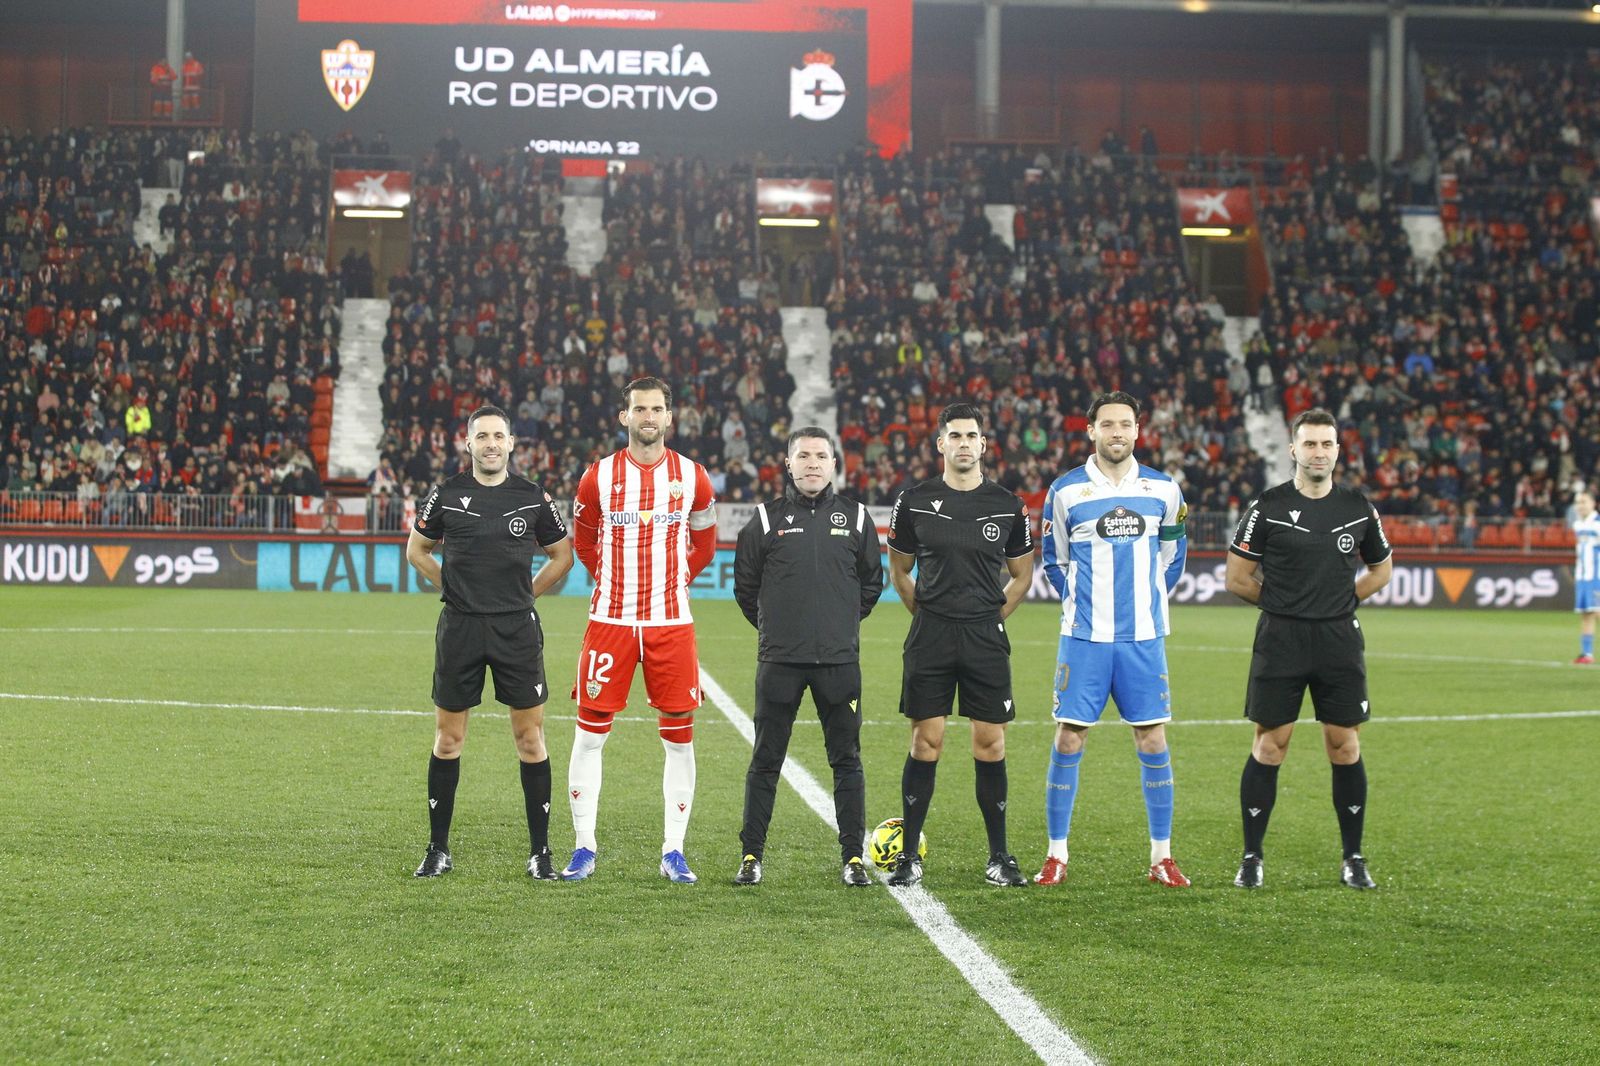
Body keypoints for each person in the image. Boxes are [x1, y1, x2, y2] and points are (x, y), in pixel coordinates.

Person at [1224, 408, 1393, 891]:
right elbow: (1237, 577)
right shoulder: (1267, 506)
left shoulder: (1357, 506)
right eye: (1310, 444)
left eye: (1327, 444)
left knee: (1344, 745)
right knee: (1270, 745)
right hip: (1281, 640)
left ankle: (1353, 857)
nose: (1319, 452)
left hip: (1338, 640)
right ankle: (1252, 856)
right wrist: (1286, 605)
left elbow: (1381, 570)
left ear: (1338, 451)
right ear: (1293, 450)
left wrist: (1341, 601)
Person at [407, 405, 575, 878]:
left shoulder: (532, 496)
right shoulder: (447, 493)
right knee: (448, 738)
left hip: (515, 630)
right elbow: (416, 549)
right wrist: (449, 587)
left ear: (512, 443)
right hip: (460, 627)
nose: (491, 444)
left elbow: (563, 556)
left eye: (499, 436)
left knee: (529, 738)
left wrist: (527, 594)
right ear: (469, 444)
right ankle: (438, 849)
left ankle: (540, 852)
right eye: (482, 436)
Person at [563, 377, 717, 883]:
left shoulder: (694, 477)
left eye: (656, 409)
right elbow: (583, 542)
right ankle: (584, 845)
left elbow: (706, 545)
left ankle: (674, 850)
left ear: (670, 418)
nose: (648, 416)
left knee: (679, 740)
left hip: (671, 624)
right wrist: (614, 580)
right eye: (639, 408)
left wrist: (671, 583)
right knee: (589, 736)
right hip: (609, 621)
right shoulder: (598, 477)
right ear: (624, 416)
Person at [1036, 392, 1191, 889]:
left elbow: (1173, 555)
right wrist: (1082, 605)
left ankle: (1161, 856)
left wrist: (1144, 601)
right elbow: (1053, 561)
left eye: (1126, 424)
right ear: (1091, 431)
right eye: (1108, 425)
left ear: (1138, 431)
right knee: (1068, 735)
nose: (1117, 432)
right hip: (1084, 638)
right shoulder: (1064, 492)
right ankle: (1056, 854)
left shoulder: (1165, 490)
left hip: (1143, 640)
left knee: (1152, 736)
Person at [885, 403, 1035, 888]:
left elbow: (1022, 574)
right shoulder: (914, 499)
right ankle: (909, 856)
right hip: (930, 634)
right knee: (926, 741)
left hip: (983, 639)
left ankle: (1000, 856)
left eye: (973, 435)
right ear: (941, 445)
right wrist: (927, 614)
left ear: (983, 445)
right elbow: (900, 570)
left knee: (990, 743)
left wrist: (991, 618)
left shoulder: (1007, 504)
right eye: (956, 435)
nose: (965, 443)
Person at [732, 428, 884, 887]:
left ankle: (853, 857)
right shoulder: (762, 520)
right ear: (789, 463)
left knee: (847, 760)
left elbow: (871, 584)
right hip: (779, 664)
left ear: (834, 464)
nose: (813, 463)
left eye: (821, 455)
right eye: (804, 456)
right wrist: (780, 632)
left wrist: (837, 627)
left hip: (840, 664)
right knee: (765, 760)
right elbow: (746, 590)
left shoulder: (857, 519)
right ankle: (751, 856)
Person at [1573, 490, 1600, 664]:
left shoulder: (1597, 524)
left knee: (1597, 612)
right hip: (1583, 576)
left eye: (1584, 502)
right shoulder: (1578, 524)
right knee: (1586, 614)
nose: (1580, 506)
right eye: (1578, 502)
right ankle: (1587, 654)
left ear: (1593, 503)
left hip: (1596, 575)